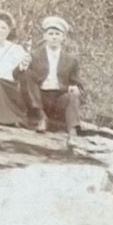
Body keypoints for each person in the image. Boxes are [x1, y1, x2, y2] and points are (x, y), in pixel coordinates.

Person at [25, 15, 86, 151]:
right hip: (40, 98)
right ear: (45, 36)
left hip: (59, 99)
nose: (54, 37)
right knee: (28, 75)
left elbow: (80, 85)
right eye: (51, 34)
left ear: (63, 38)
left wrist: (76, 89)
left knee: (73, 95)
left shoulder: (71, 60)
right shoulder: (34, 56)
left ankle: (72, 131)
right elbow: (22, 79)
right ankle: (41, 118)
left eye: (57, 34)